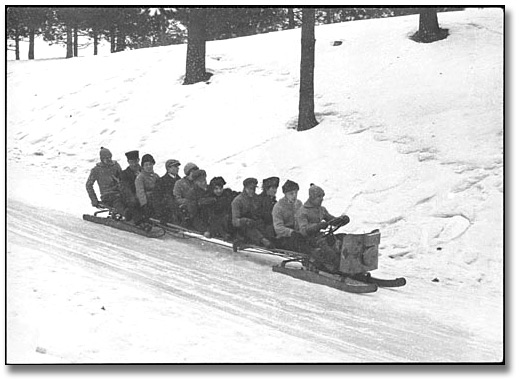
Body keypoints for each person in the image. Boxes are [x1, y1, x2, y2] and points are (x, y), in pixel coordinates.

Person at [295, 184, 349, 272]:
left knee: (342, 238)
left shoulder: (321, 209)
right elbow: (303, 231)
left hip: (319, 237)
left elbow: (332, 220)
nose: (321, 199)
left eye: (322, 196)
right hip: (306, 241)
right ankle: (334, 266)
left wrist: (341, 220)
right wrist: (318, 226)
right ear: (312, 198)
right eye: (319, 196)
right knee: (324, 246)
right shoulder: (303, 211)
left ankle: (346, 263)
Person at [231, 177, 272, 248]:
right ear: (245, 188)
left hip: (256, 225)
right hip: (242, 229)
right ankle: (263, 240)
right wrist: (245, 221)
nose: (252, 191)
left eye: (254, 189)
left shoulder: (257, 199)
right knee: (248, 228)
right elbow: (235, 221)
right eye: (250, 188)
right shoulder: (237, 201)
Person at [272, 180, 309, 253]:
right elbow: (278, 228)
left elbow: (303, 218)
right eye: (291, 193)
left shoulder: (299, 204)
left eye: (296, 193)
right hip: (284, 237)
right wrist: (291, 232)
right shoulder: (278, 207)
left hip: (298, 233)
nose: (294, 195)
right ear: (285, 194)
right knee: (301, 245)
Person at [86, 147, 124, 217]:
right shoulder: (96, 170)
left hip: (119, 192)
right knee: (118, 201)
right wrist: (94, 200)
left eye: (110, 157)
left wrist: (120, 183)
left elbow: (123, 179)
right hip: (107, 195)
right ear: (102, 159)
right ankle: (126, 215)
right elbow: (89, 185)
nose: (109, 160)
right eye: (106, 158)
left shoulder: (115, 166)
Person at [133, 153, 160, 229]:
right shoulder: (140, 177)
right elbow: (140, 192)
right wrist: (144, 204)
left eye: (150, 164)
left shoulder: (156, 176)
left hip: (155, 199)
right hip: (146, 201)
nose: (149, 167)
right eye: (146, 165)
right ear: (143, 166)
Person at [152, 159, 182, 224]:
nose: (177, 168)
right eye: (175, 166)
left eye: (177, 167)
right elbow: (157, 198)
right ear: (168, 168)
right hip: (167, 208)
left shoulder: (180, 180)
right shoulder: (161, 181)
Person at [120, 150, 141, 221]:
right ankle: (138, 221)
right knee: (133, 202)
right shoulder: (124, 174)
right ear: (128, 162)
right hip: (131, 195)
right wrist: (133, 196)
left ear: (138, 160)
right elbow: (125, 188)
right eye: (131, 162)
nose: (134, 164)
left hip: (143, 194)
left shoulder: (144, 170)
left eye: (135, 161)